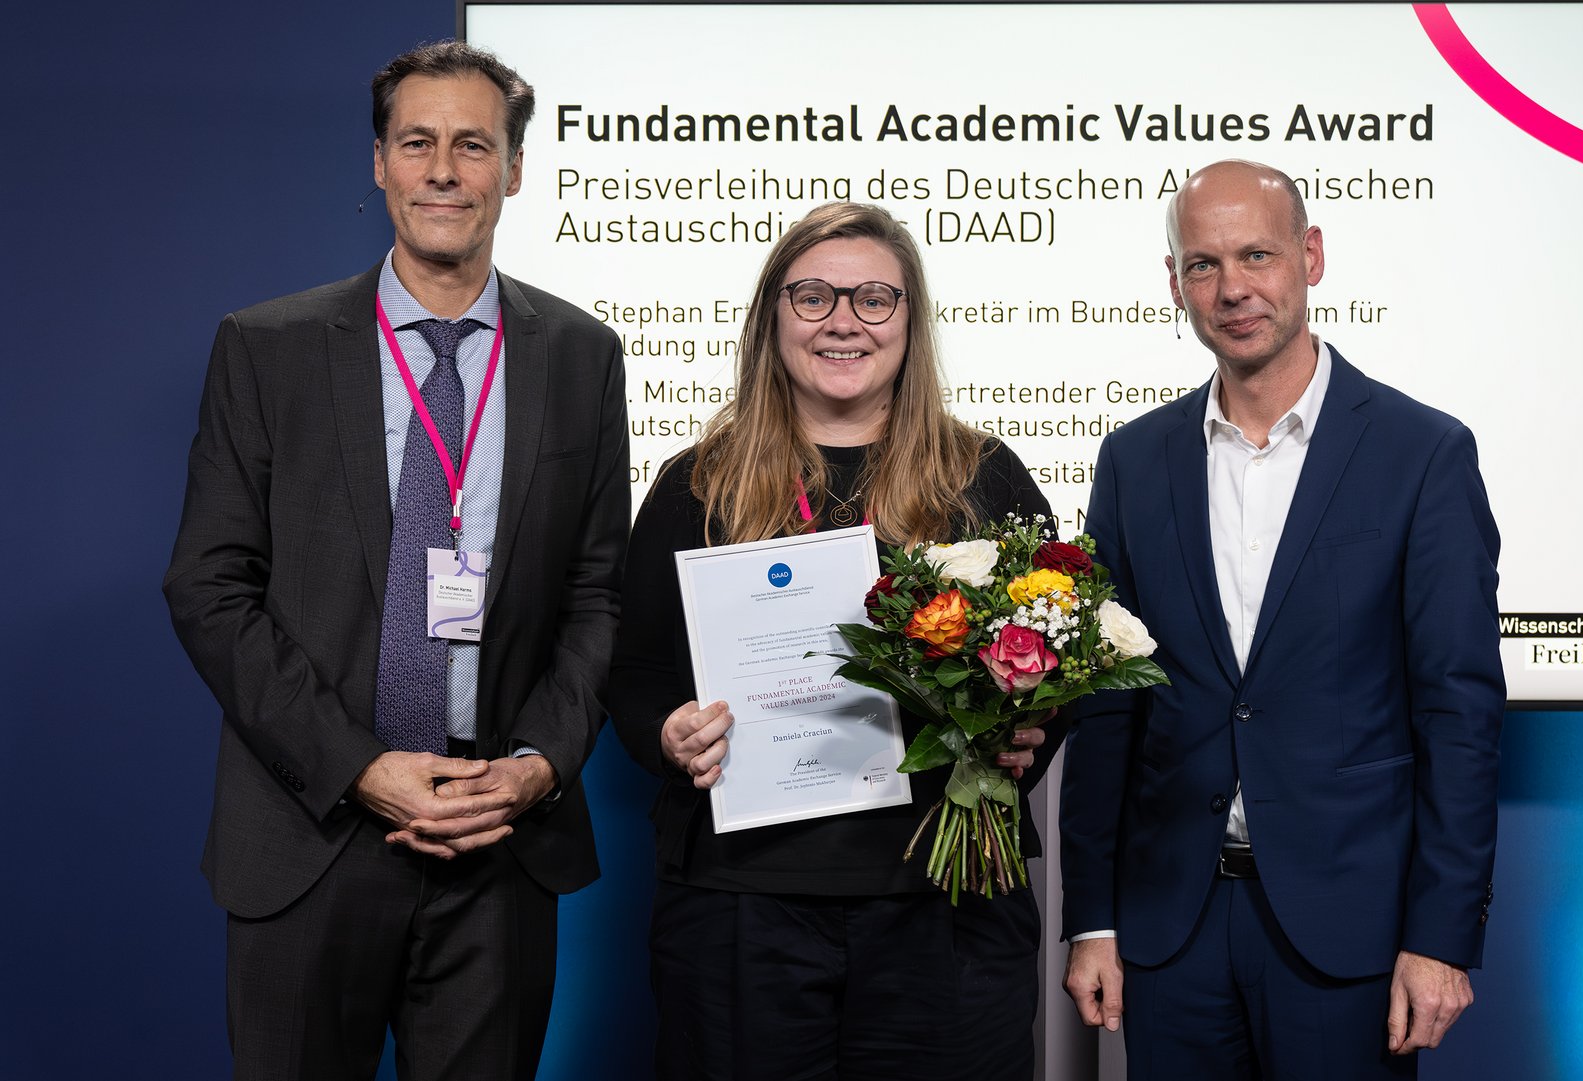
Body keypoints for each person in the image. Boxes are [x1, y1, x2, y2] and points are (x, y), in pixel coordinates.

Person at [162, 41, 628, 1080]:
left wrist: (536, 766)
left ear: (514, 170)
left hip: (499, 841)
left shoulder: (582, 354)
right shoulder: (267, 346)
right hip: (310, 832)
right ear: (379, 163)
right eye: (418, 143)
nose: (444, 171)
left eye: (474, 145)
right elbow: (209, 585)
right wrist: (361, 770)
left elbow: (599, 592)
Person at [1057, 159, 1504, 1078]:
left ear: (1311, 255)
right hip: (1171, 929)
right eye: (1202, 264)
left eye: (1256, 254)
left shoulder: (1423, 453)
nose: (1232, 289)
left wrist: (1441, 934)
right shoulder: (1134, 460)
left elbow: (1458, 712)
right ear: (1175, 283)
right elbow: (1108, 711)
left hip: (1350, 935)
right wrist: (1092, 916)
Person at [609, 201, 1054, 1081]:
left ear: (910, 323)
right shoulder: (697, 488)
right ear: (771, 316)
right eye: (812, 296)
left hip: (946, 904)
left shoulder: (983, 478)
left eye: (874, 299)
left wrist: (1030, 734)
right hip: (744, 908)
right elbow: (635, 674)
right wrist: (666, 732)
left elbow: (1051, 661)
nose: (843, 320)